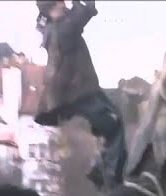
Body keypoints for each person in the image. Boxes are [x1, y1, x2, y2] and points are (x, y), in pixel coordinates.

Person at [34, 0, 125, 186]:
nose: (65, 5)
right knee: (114, 125)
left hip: (81, 91)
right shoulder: (64, 29)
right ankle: (107, 173)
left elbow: (75, 15)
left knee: (113, 119)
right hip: (79, 93)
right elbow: (85, 12)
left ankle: (102, 166)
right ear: (55, 5)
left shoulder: (52, 27)